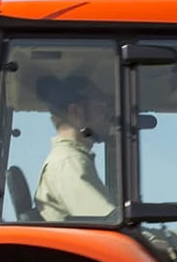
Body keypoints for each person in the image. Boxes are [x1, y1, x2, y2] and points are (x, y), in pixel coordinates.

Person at [34, 73, 118, 222]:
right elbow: (110, 223)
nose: (107, 116)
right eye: (101, 108)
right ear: (76, 112)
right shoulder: (69, 162)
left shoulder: (69, 159)